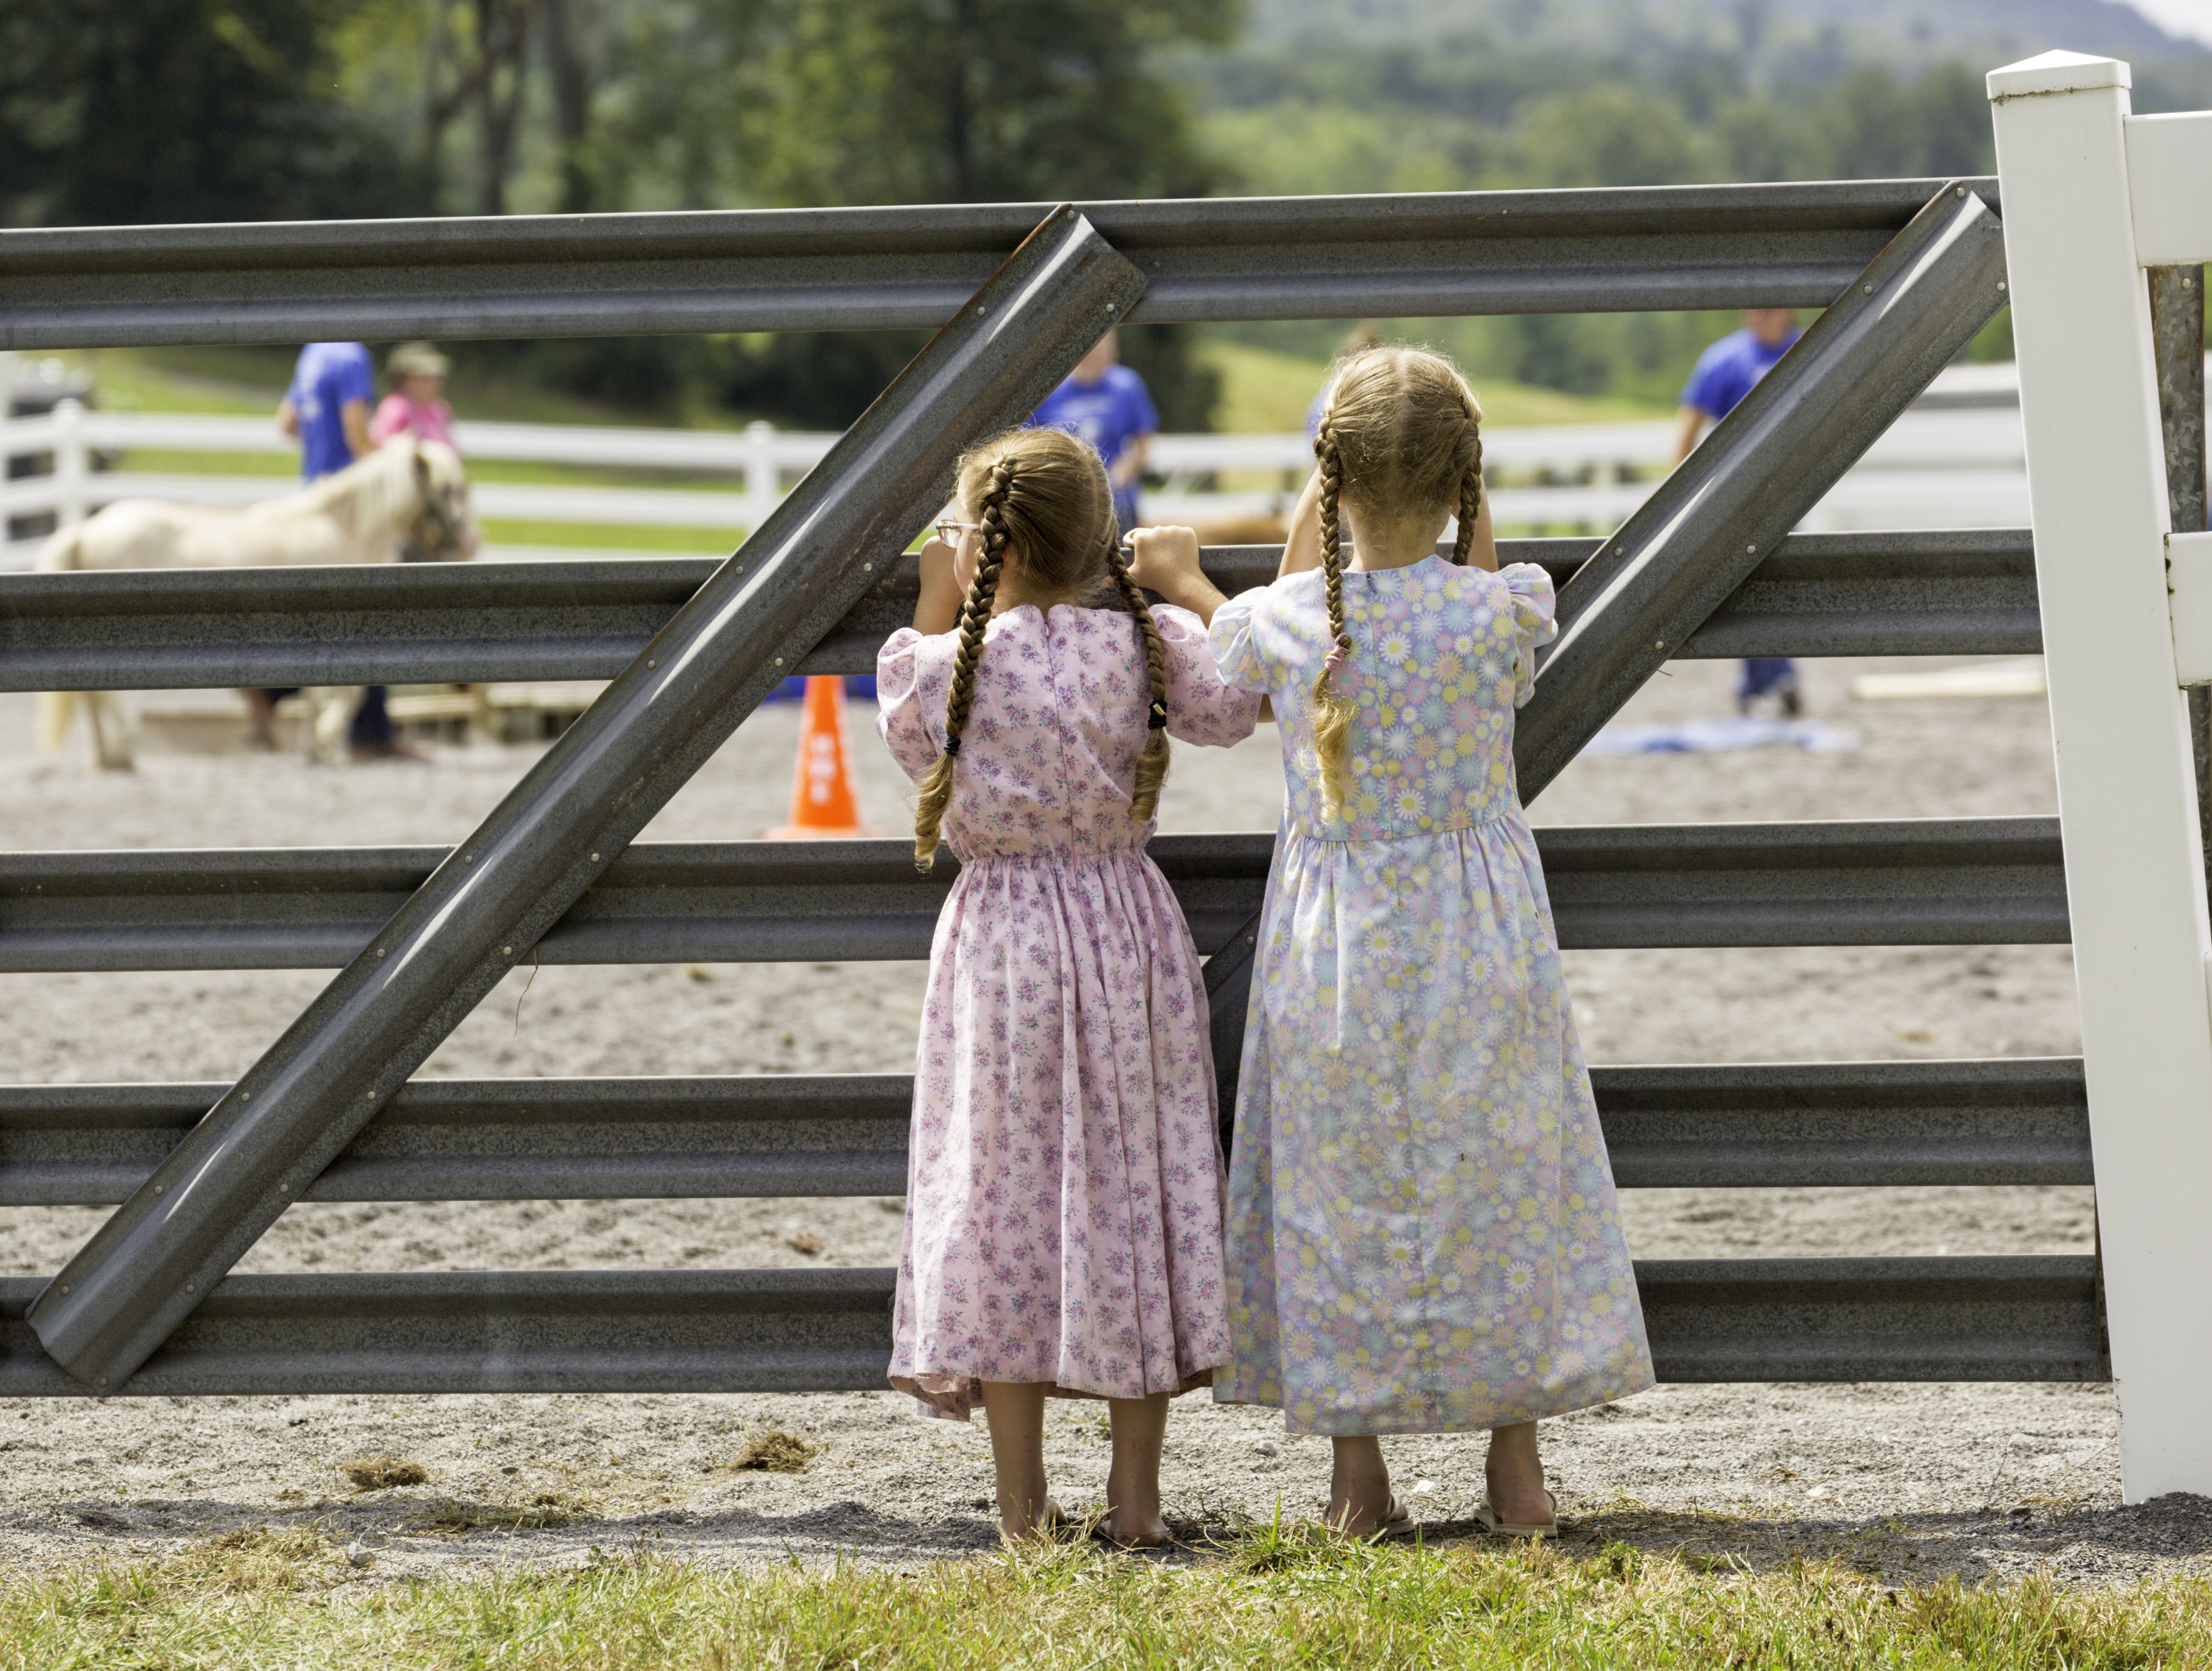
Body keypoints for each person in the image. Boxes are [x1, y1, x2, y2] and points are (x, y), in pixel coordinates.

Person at [1129, 345, 1653, 1540]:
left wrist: (1186, 574)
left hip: (1338, 948)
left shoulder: (1285, 623)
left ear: (1328, 480)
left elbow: (1256, 627)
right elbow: (1471, 589)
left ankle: (1355, 1477)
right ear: (1467, 480)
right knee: (1500, 1180)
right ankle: (1513, 1471)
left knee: (1335, 1186)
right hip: (1480, 937)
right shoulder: (1501, 608)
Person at [875, 425, 1259, 1546]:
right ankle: (1134, 1499)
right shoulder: (1138, 650)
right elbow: (1233, 705)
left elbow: (908, 725)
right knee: (1130, 1189)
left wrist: (941, 592)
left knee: (1002, 1199)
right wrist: (1180, 580)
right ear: (1102, 543)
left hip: (1001, 951)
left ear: (974, 539)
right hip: (1124, 932)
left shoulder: (943, 668)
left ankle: (1020, 1507)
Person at [262, 341, 418, 759]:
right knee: (366, 610)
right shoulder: (352, 359)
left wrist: (319, 443)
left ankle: (272, 692)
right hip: (348, 504)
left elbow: (287, 423)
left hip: (313, 494)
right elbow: (355, 430)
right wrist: (385, 475)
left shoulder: (312, 355)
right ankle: (371, 733)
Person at [1675, 309, 1805, 717]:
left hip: (1789, 487)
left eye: (1768, 308)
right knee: (1747, 578)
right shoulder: (1723, 359)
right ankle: (1771, 678)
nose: (1759, 316)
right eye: (1753, 308)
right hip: (1736, 493)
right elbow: (1690, 424)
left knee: (1770, 578)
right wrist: (1680, 492)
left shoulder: (1807, 349)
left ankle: (1762, 681)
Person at [1028, 329, 1157, 532]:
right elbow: (1025, 443)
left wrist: (1125, 471)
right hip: (1063, 499)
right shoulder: (1049, 389)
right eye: (1094, 350)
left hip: (1115, 499)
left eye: (1106, 349)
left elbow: (1143, 441)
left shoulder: (1126, 385)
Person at [371, 341, 457, 451]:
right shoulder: (395, 408)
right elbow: (385, 450)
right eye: (424, 377)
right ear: (404, 379)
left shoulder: (438, 408)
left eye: (435, 377)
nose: (432, 382)